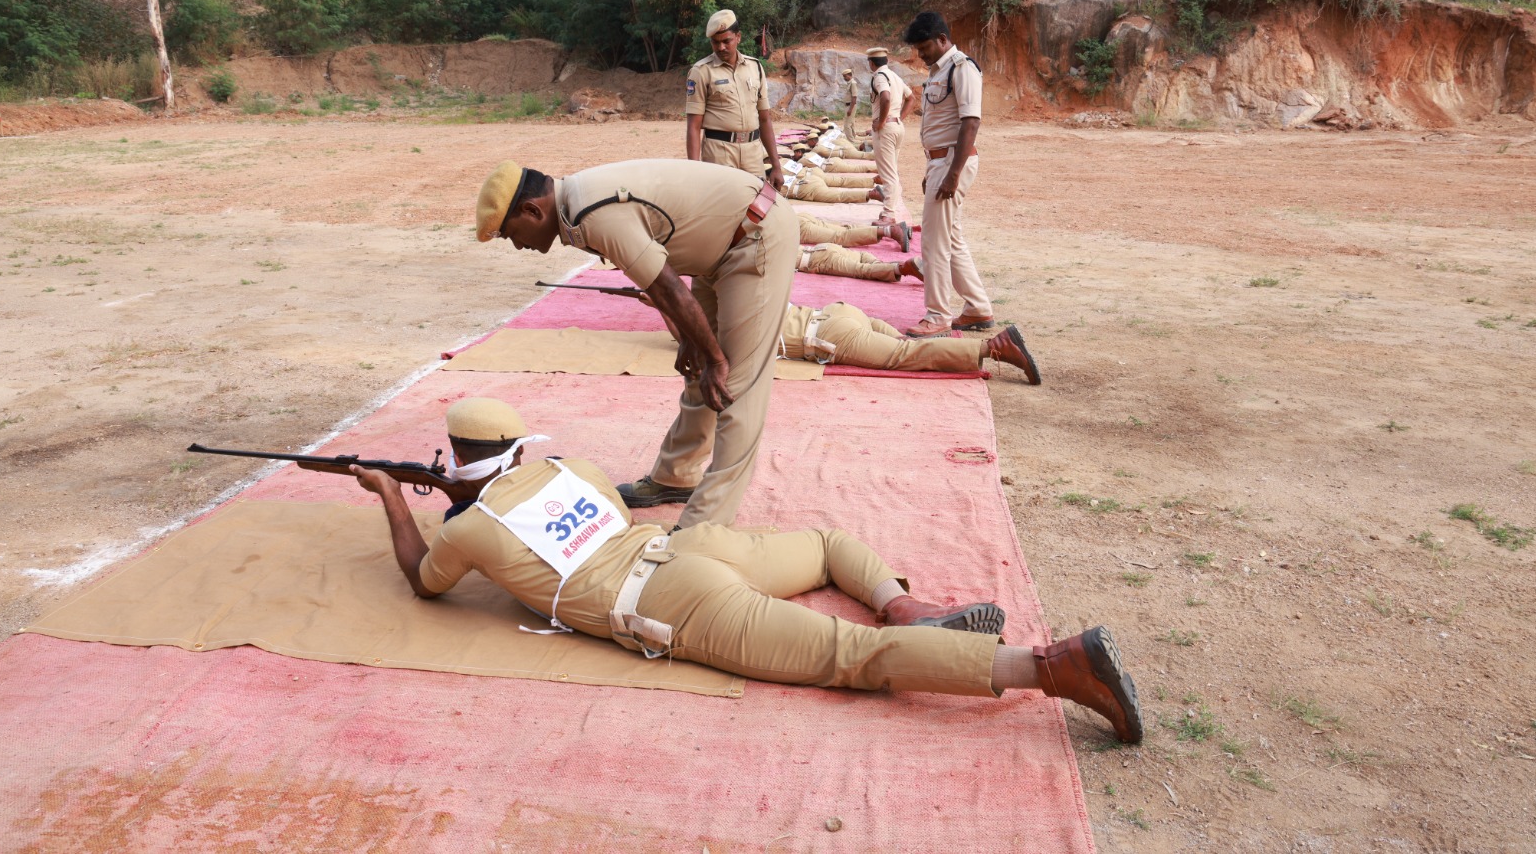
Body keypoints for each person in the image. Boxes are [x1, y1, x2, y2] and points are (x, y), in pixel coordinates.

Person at [349, 396, 1141, 742]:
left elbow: (426, 581)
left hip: (665, 600)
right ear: (518, 445)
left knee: (848, 659)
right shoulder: (572, 467)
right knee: (831, 544)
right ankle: (901, 603)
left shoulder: (474, 527)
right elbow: (590, 520)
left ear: (454, 463)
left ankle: (1051, 667)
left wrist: (393, 495)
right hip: (686, 549)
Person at [477, 158, 794, 529]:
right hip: (722, 246)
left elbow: (666, 286)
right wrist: (694, 342)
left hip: (755, 233)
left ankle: (704, 526)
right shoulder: (573, 205)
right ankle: (677, 475)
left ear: (531, 210)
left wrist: (714, 356)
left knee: (734, 383)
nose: (516, 246)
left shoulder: (593, 213)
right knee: (698, 371)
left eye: (509, 233)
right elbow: (662, 279)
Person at [902, 11, 994, 339]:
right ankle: (977, 308)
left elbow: (971, 122)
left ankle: (937, 315)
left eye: (925, 47)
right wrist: (935, 168)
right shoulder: (940, 71)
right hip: (941, 163)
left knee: (934, 242)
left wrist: (951, 174)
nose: (921, 54)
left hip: (954, 162)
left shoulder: (962, 68)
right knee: (951, 238)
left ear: (943, 39)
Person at [781, 302, 1041, 383]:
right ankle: (898, 340)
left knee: (905, 354)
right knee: (901, 344)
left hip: (830, 335)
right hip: (838, 313)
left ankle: (996, 347)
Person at [686, 9, 785, 189]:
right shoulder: (701, 71)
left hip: (753, 152)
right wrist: (694, 172)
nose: (721, 47)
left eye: (726, 41)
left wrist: (776, 166)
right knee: (721, 209)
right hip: (719, 152)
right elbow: (693, 126)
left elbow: (764, 119)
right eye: (716, 43)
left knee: (756, 209)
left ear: (738, 37)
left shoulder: (755, 67)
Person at [867, 47, 916, 226]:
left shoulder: (879, 77)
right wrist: (898, 119)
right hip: (896, 126)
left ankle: (889, 214)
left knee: (888, 174)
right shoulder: (895, 76)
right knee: (892, 170)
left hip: (886, 129)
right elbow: (911, 98)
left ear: (871, 63)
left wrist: (881, 122)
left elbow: (885, 98)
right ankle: (892, 208)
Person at [798, 242, 922, 283]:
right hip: (820, 247)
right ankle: (883, 266)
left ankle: (902, 269)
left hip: (816, 259)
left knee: (861, 270)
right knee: (861, 257)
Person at [798, 212, 910, 253]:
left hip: (795, 227)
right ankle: (894, 228)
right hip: (797, 217)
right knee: (843, 231)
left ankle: (891, 231)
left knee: (839, 237)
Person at [781, 162, 883, 204]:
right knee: (842, 181)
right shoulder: (783, 165)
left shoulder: (771, 181)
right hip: (812, 176)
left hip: (806, 188)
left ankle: (870, 194)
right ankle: (873, 180)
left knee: (839, 195)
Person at [839, 67, 859, 141]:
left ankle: (851, 141)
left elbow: (854, 97)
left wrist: (850, 109)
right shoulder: (849, 83)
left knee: (847, 125)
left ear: (849, 75)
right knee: (851, 123)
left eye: (845, 76)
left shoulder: (853, 83)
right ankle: (854, 138)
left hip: (851, 105)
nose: (844, 78)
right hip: (849, 105)